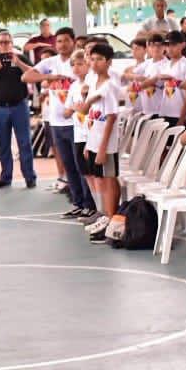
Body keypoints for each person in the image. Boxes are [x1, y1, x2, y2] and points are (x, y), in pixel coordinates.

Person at [0, 29, 52, 189]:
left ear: (12, 43)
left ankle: (29, 176)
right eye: (1, 43)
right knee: (3, 144)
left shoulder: (20, 58)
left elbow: (35, 74)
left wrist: (18, 63)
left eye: (7, 42)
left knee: (24, 142)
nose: (5, 46)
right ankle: (6, 177)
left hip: (19, 106)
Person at [34, 28, 91, 216]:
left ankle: (89, 204)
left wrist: (76, 107)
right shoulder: (52, 64)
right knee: (68, 164)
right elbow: (27, 76)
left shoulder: (85, 75)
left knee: (80, 165)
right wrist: (48, 78)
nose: (62, 44)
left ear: (73, 42)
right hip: (57, 123)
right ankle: (78, 202)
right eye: (58, 41)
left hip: (78, 127)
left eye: (66, 40)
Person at [75, 42, 126, 239]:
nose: (95, 63)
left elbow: (111, 116)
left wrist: (104, 147)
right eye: (93, 59)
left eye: (100, 59)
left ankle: (112, 220)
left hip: (107, 144)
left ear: (109, 62)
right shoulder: (94, 84)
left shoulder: (110, 86)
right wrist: (90, 144)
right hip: (94, 140)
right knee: (101, 181)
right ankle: (106, 216)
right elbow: (92, 117)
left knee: (109, 180)